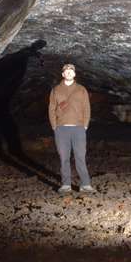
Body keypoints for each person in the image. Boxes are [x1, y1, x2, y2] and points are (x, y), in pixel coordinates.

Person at [48, 63, 95, 194]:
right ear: (63, 74)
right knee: (64, 157)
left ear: (74, 74)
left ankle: (85, 184)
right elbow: (51, 108)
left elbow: (87, 108)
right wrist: (54, 126)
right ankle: (66, 185)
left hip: (78, 128)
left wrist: (85, 125)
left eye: (71, 71)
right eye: (66, 71)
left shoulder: (81, 89)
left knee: (80, 156)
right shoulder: (56, 90)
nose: (68, 73)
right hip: (61, 129)